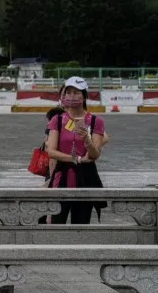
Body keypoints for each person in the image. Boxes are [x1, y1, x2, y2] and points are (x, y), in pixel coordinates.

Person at [45, 76, 106, 224]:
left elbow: (95, 155)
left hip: (86, 176)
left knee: (81, 222)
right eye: (69, 92)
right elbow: (51, 151)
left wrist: (87, 139)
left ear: (84, 96)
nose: (72, 96)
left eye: (77, 92)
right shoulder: (58, 120)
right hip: (62, 175)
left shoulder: (95, 121)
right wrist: (76, 159)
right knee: (56, 221)